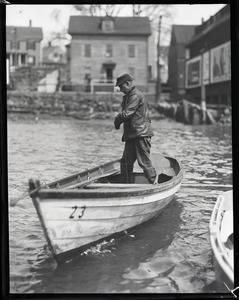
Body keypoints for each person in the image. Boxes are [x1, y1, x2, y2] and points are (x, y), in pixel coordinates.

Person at [114, 73, 156, 184]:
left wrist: (117, 121)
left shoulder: (135, 95)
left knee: (144, 161)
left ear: (127, 84)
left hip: (141, 134)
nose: (120, 89)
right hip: (133, 134)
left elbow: (127, 113)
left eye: (121, 86)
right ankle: (126, 186)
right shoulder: (130, 95)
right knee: (126, 163)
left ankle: (154, 183)